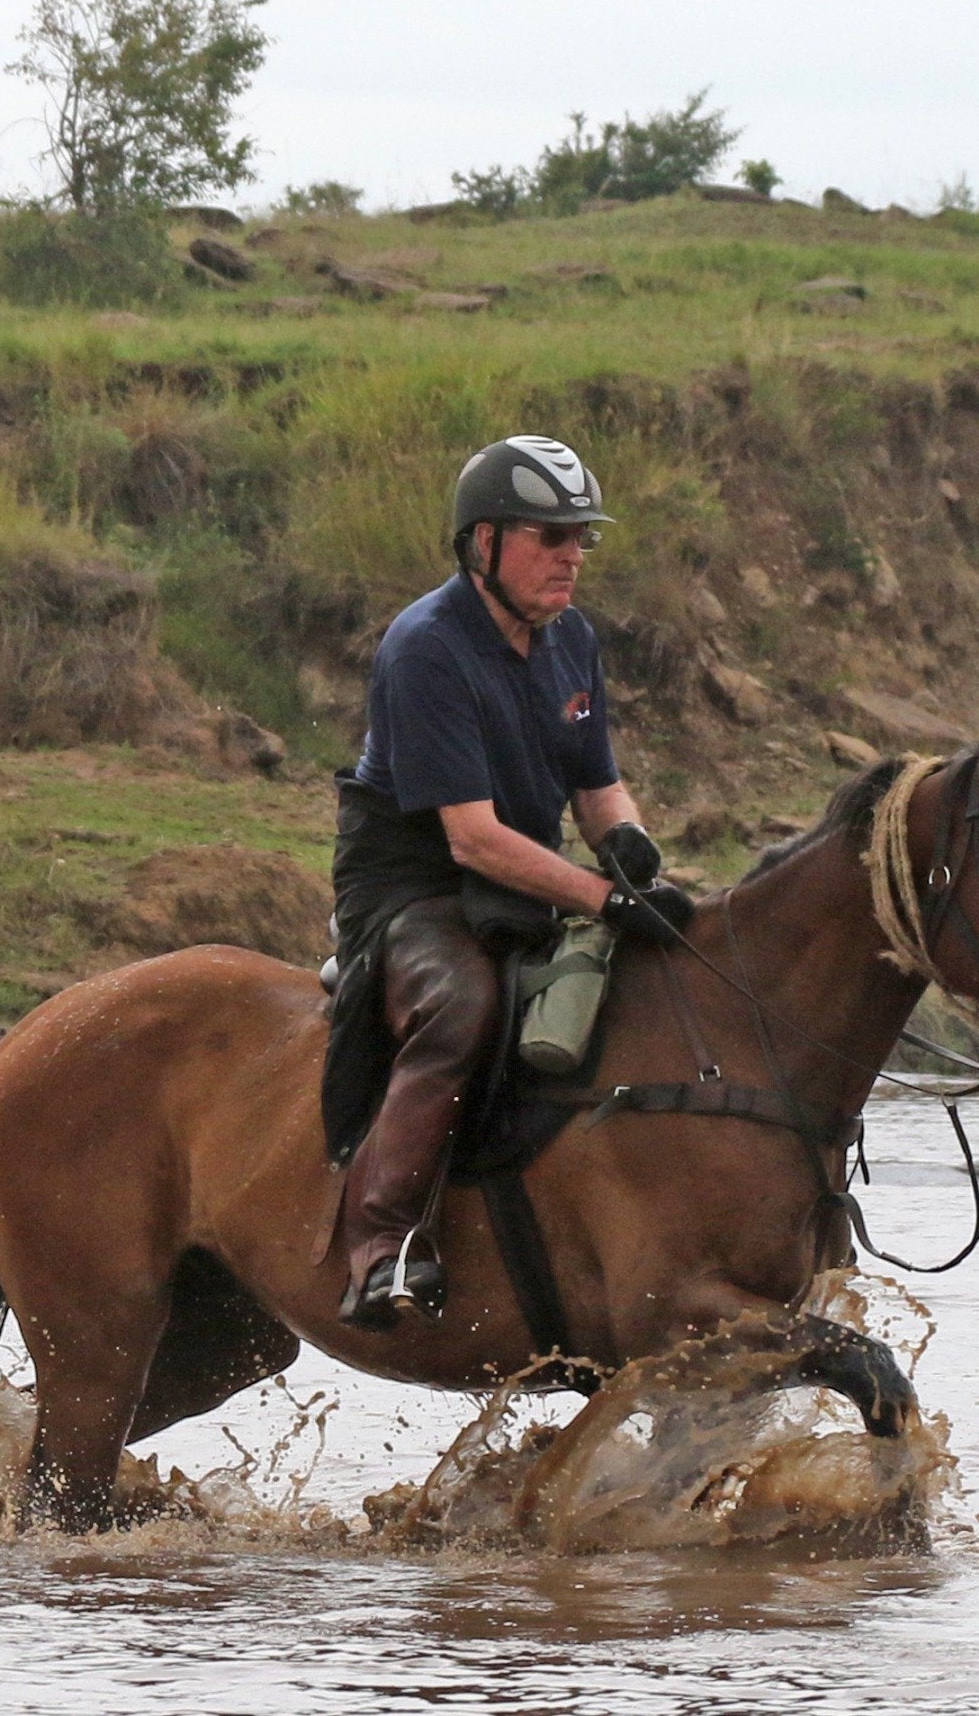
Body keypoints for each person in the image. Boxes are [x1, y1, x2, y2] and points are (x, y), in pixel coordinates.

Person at [326, 435, 682, 1331]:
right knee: (464, 1005)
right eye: (548, 537)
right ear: (483, 543)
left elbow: (596, 786)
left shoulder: (572, 641)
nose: (571, 557)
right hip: (413, 888)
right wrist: (602, 899)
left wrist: (630, 844)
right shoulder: (426, 648)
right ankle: (382, 1241)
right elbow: (472, 839)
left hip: (519, 877)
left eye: (579, 539)